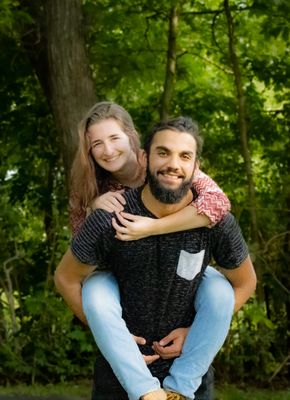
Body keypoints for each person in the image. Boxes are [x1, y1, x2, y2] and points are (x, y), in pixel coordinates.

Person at [55, 115, 257, 400]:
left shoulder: (216, 222)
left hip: (192, 384)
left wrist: (196, 332)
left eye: (184, 156)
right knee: (96, 292)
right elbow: (66, 277)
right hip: (118, 381)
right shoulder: (110, 215)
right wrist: (113, 336)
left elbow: (245, 282)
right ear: (144, 157)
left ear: (196, 167)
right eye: (163, 153)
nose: (173, 164)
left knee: (219, 289)